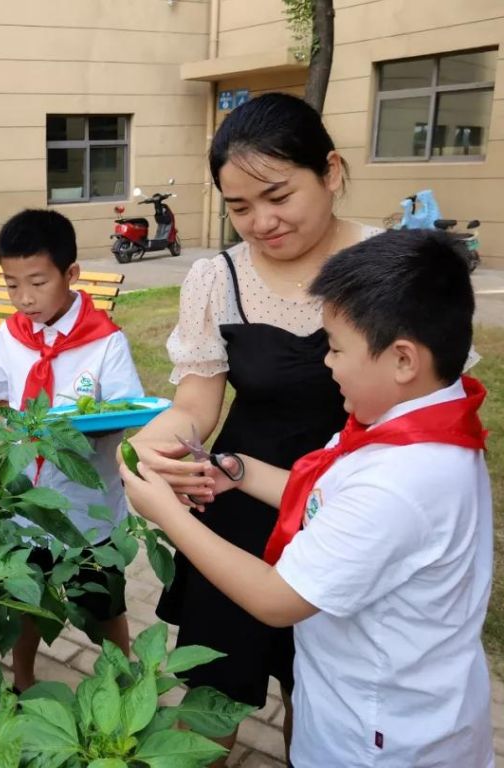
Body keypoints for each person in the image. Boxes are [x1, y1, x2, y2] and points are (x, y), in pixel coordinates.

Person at [120, 229, 492, 768]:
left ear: (403, 360)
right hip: (368, 711)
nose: (327, 364)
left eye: (336, 348)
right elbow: (327, 490)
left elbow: (277, 598)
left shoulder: (403, 478)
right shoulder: (412, 427)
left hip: (379, 743)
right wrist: (239, 471)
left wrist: (169, 516)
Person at [120, 92, 381, 757]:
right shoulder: (217, 278)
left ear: (332, 171)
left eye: (278, 195)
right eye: (239, 207)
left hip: (349, 510)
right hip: (236, 502)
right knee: (214, 687)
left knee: (317, 691)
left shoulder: (389, 270)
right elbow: (198, 403)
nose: (261, 222)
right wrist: (166, 438)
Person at [0, 209, 143, 691]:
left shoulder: (106, 343)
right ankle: (22, 683)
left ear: (71, 273)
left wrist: (79, 429)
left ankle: (121, 686)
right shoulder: (10, 336)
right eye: (12, 285)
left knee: (104, 605)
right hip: (25, 505)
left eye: (37, 282)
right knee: (21, 602)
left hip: (87, 507)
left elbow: (126, 416)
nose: (24, 299)